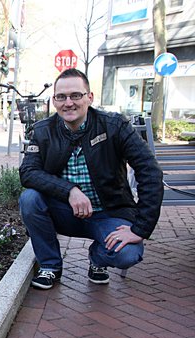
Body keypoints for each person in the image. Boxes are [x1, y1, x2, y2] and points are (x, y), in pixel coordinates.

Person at [18, 68, 164, 290]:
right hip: (65, 212)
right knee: (29, 199)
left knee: (128, 254)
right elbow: (28, 172)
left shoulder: (114, 126)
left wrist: (140, 229)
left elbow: (150, 172)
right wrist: (69, 191)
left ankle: (97, 258)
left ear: (89, 97)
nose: (69, 103)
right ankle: (50, 265)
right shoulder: (42, 130)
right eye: (61, 97)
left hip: (109, 213)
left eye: (76, 95)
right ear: (54, 100)